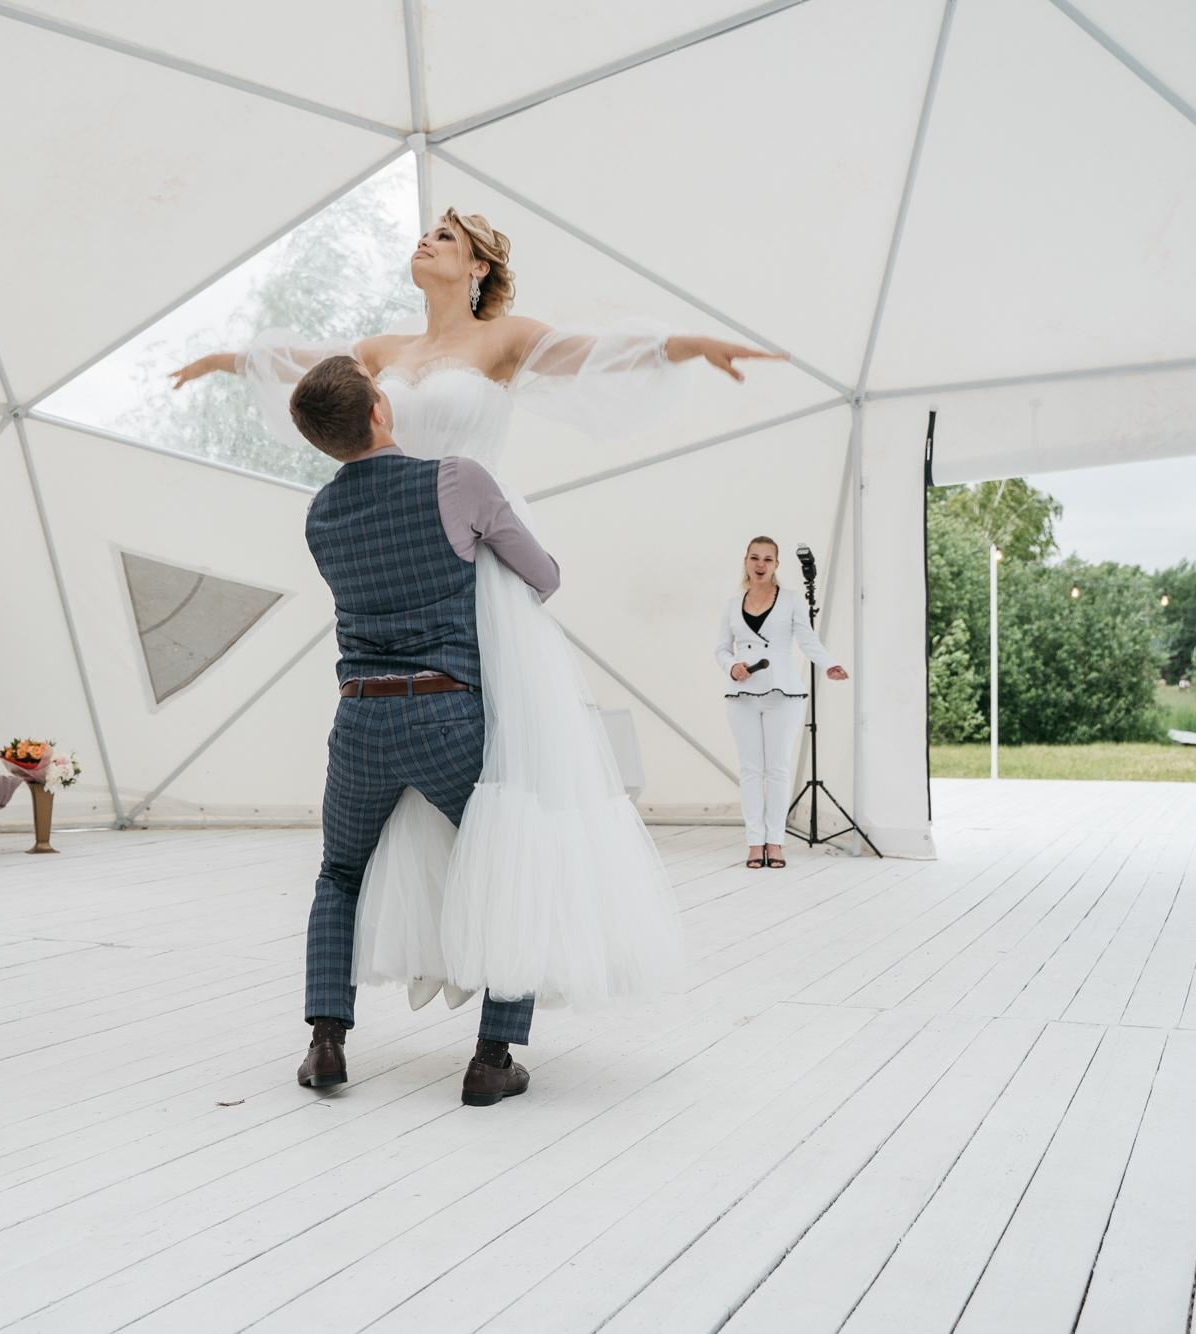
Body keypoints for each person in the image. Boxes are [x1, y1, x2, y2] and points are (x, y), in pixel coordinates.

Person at [172, 208, 787, 1009]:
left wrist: (689, 345)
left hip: (482, 551)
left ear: (478, 268)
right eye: (426, 232)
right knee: (426, 788)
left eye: (447, 238)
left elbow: (593, 353)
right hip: (404, 558)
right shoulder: (380, 352)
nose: (426, 240)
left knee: (511, 772)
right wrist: (227, 361)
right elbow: (307, 371)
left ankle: (504, 971)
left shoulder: (505, 340)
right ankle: (462, 982)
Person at [289, 354, 560, 1106]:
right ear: (381, 409)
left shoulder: (319, 515)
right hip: (446, 712)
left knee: (339, 875)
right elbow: (542, 577)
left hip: (360, 716)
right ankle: (492, 1056)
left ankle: (325, 1044)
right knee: (511, 857)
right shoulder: (457, 479)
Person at [714, 536, 848, 869]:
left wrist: (829, 664)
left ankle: (775, 841)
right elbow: (722, 648)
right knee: (750, 770)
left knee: (777, 769)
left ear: (776, 564)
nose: (760, 565)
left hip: (783, 693)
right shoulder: (732, 604)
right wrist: (731, 666)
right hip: (742, 694)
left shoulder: (790, 600)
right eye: (755, 557)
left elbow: (807, 639)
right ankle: (753, 842)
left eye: (768, 559)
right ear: (745, 560)